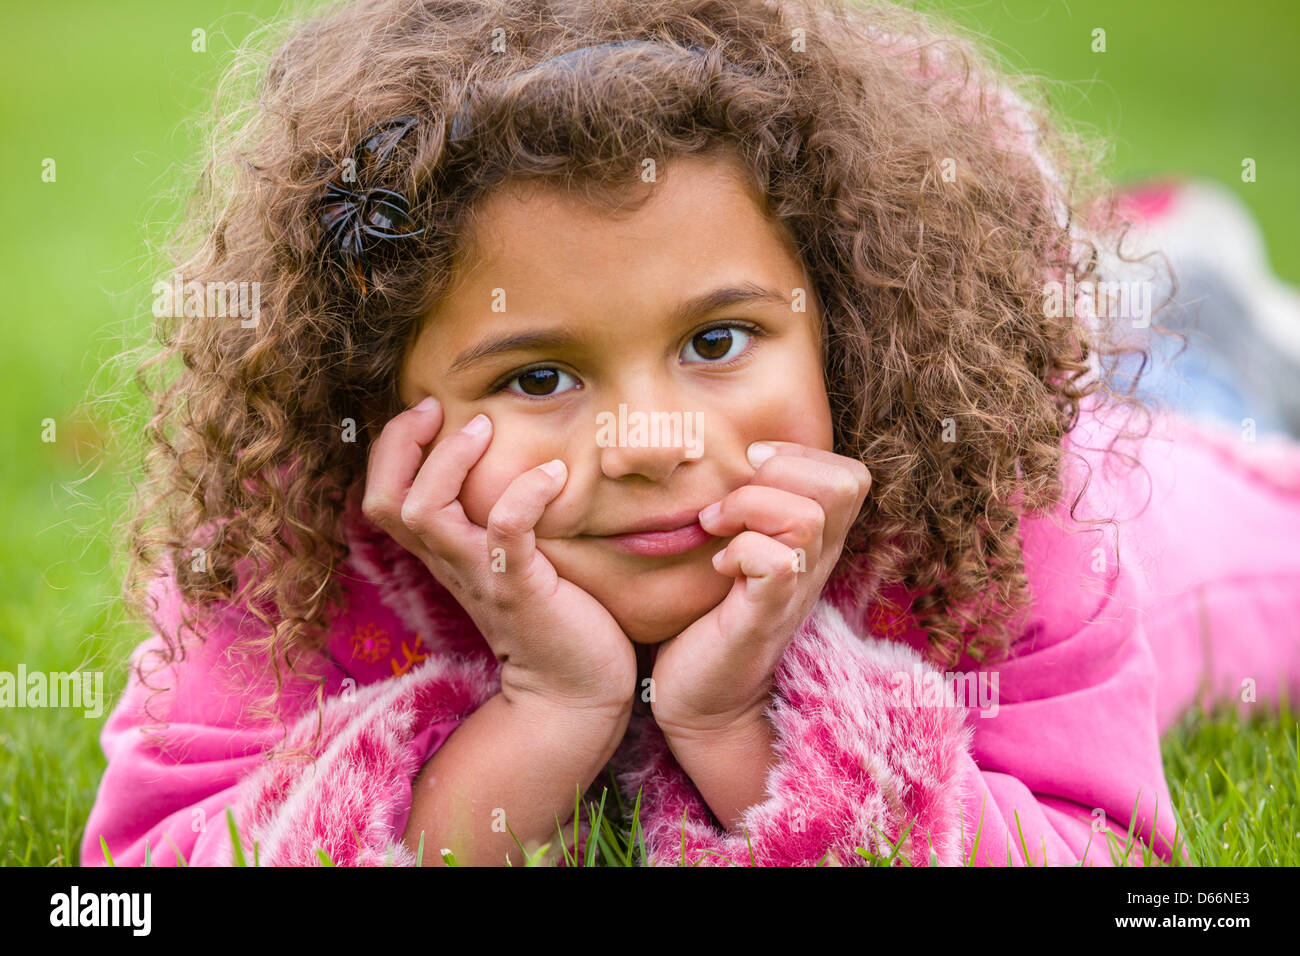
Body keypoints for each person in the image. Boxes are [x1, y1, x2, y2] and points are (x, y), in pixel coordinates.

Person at [81, 0, 1300, 867]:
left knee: (1208, 417)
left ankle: (1201, 309)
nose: (652, 439)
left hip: (1185, 491)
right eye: (541, 369)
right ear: (380, 391)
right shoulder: (294, 543)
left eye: (717, 340)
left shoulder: (993, 497)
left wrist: (745, 720)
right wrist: (550, 707)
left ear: (846, 318)